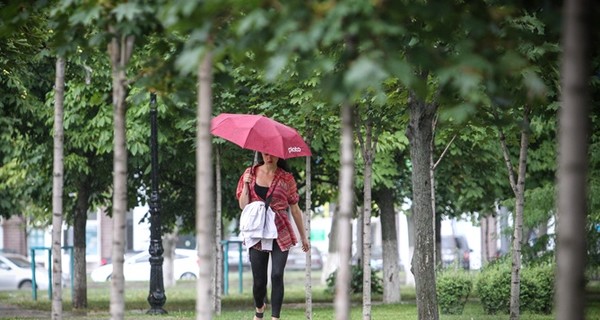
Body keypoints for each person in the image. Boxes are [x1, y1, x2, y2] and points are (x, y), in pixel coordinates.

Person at [236, 152, 310, 320]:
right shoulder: (250, 173)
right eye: (266, 154)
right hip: (257, 230)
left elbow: (295, 209)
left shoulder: (286, 178)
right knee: (259, 280)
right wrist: (246, 185)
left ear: (279, 156)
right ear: (261, 153)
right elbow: (243, 205)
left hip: (280, 229)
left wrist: (303, 236)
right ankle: (259, 310)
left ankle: (275, 317)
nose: (269, 157)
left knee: (277, 274)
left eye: (273, 154)